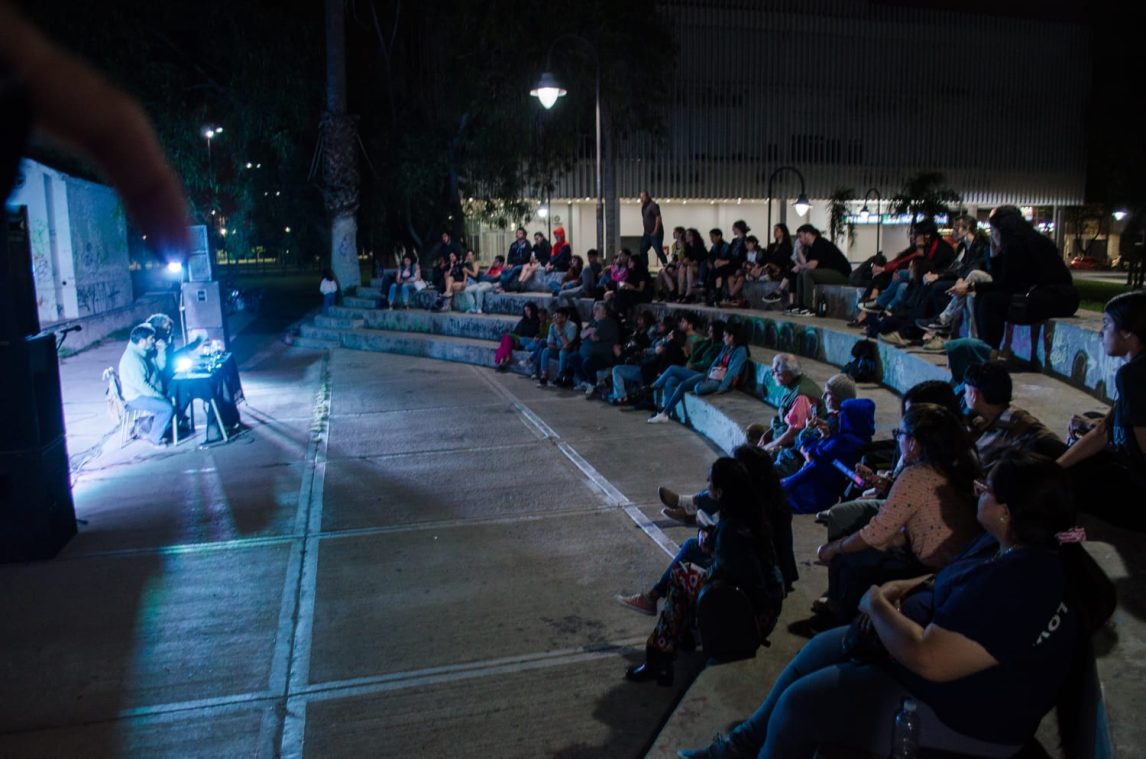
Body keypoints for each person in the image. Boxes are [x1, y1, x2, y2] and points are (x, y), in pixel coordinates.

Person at [679, 450, 1115, 759]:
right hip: (941, 674)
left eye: (988, 489)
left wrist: (878, 602)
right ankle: (739, 746)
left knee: (800, 706)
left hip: (965, 719)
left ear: (1007, 512)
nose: (978, 489)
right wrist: (903, 587)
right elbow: (944, 578)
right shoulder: (1008, 544)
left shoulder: (1023, 583)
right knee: (819, 650)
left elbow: (929, 659)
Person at [623, 457, 785, 686]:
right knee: (691, 560)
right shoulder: (749, 511)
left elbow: (730, 575)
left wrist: (709, 555)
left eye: (710, 483)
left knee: (682, 575)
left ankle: (660, 657)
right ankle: (679, 637)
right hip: (765, 604)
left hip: (752, 615)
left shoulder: (732, 530)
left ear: (719, 492)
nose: (706, 486)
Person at [814, 403, 982, 623]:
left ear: (913, 443)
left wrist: (833, 548)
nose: (897, 440)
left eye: (899, 434)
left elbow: (877, 533)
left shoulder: (918, 474)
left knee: (848, 560)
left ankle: (847, 622)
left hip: (932, 568)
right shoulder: (960, 464)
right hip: (959, 564)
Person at [1058, 290, 1146, 529]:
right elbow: (1102, 431)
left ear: (1127, 331)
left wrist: (1057, 472)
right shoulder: (1135, 370)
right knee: (1090, 424)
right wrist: (1055, 467)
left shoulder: (1133, 376)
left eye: (1107, 324)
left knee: (1072, 478)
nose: (1101, 332)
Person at [973, 206, 1080, 357]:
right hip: (1045, 295)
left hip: (1056, 297)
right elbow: (1004, 281)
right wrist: (995, 256)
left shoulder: (1020, 245)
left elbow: (1007, 285)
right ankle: (984, 348)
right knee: (983, 297)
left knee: (989, 300)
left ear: (1002, 229)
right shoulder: (1021, 241)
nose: (993, 236)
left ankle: (990, 352)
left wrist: (974, 285)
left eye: (994, 231)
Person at [781, 396, 877, 515]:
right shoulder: (863, 440)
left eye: (842, 414)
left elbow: (811, 454)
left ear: (850, 418)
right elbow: (830, 458)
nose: (839, 416)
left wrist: (808, 431)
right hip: (827, 496)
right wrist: (827, 436)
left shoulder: (842, 442)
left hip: (810, 495)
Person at [963, 360, 1066, 468]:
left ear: (974, 395)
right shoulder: (1007, 414)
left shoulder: (1009, 424)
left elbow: (977, 463)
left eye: (966, 392)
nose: (965, 396)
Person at [648, 321, 748, 424]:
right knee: (672, 379)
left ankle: (654, 391)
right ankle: (664, 412)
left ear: (732, 337)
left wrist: (721, 388)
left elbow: (732, 372)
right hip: (710, 376)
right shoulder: (726, 348)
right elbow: (714, 363)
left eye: (725, 336)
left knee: (677, 374)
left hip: (719, 381)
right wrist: (708, 375)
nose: (723, 338)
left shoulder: (740, 351)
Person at [118, 324, 175, 448]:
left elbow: (159, 367)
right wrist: (160, 397)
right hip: (136, 397)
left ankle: (166, 429)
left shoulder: (144, 352)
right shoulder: (133, 359)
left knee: (177, 393)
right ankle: (154, 438)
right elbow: (142, 386)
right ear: (142, 341)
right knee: (166, 408)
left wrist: (161, 352)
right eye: (151, 339)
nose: (154, 341)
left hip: (146, 392)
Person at [759, 353, 822, 455]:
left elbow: (791, 436)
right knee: (755, 432)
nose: (772, 374)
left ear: (787, 373)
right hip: (783, 431)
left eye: (776, 371)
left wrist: (766, 448)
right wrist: (769, 433)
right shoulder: (792, 384)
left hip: (795, 443)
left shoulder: (802, 396)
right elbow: (785, 416)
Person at [788, 224, 852, 315]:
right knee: (801, 274)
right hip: (829, 272)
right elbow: (805, 264)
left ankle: (808, 307)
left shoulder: (820, 243)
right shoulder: (811, 247)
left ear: (807, 234)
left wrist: (800, 267)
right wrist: (798, 250)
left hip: (841, 274)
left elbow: (811, 266)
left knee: (807, 274)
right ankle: (800, 305)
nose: (799, 240)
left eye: (800, 236)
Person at [535, 307, 579, 386]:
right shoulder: (552, 326)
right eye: (556, 317)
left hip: (569, 350)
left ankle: (560, 375)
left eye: (560, 317)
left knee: (562, 352)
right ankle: (544, 375)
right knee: (546, 350)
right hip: (557, 348)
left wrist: (559, 331)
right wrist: (555, 346)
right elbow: (549, 342)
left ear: (566, 317)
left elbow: (567, 344)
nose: (557, 319)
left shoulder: (572, 326)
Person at [493, 302, 543, 371]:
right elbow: (516, 332)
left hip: (526, 342)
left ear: (532, 310)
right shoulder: (523, 321)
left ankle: (504, 360)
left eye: (528, 310)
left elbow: (535, 335)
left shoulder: (537, 321)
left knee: (506, 338)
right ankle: (504, 360)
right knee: (506, 339)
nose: (526, 313)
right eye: (525, 311)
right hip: (517, 341)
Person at [639, 191, 665, 268]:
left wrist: (656, 230)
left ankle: (667, 267)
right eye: (640, 197)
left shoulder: (653, 205)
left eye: (643, 197)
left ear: (647, 197)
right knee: (642, 250)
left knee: (659, 251)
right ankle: (644, 267)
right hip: (647, 233)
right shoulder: (643, 207)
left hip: (655, 233)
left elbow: (658, 217)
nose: (641, 199)